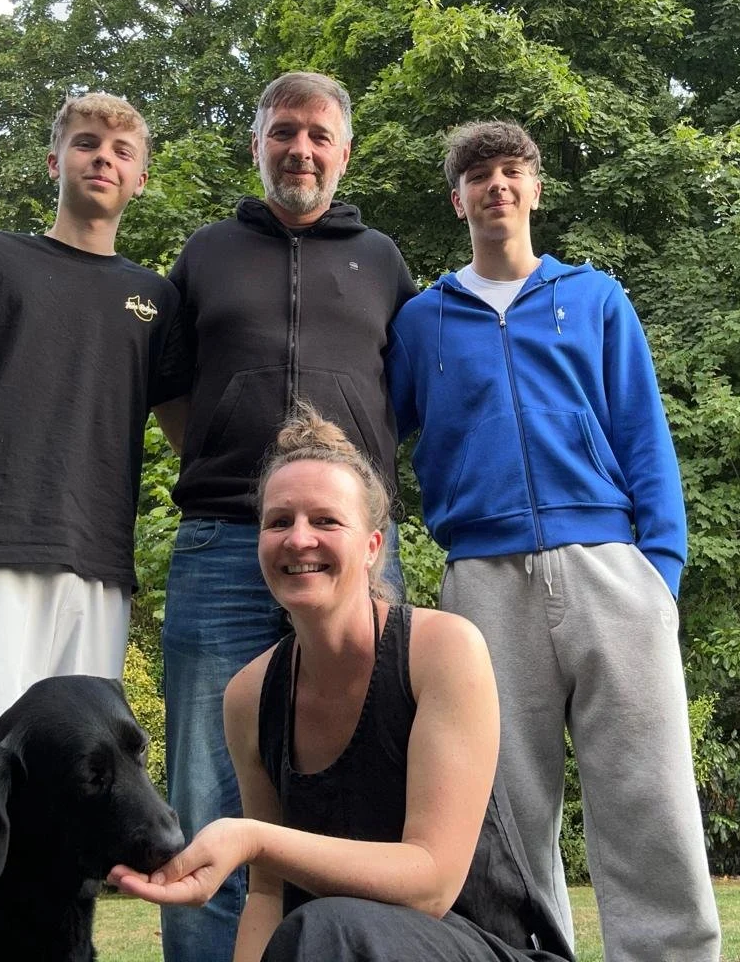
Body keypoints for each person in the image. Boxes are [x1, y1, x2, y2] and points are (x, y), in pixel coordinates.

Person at [385, 121, 722, 960]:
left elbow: (645, 437)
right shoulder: (423, 321)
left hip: (612, 571)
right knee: (504, 809)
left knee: (650, 797)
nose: (496, 186)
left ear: (536, 190)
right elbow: (376, 443)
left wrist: (661, 576)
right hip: (482, 584)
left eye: (511, 172)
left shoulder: (596, 298)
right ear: (455, 198)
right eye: (479, 174)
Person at [112, 407, 571, 962]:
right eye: (278, 522)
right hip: (334, 944)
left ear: (374, 545)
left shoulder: (443, 651)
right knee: (318, 928)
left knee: (327, 928)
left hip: (481, 947)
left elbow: (432, 882)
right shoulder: (249, 697)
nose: (297, 539)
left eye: (326, 521)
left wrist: (251, 838)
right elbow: (267, 893)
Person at [152, 72, 416, 959]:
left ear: (345, 151)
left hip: (356, 555)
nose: (299, 149)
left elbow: (402, 396)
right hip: (226, 541)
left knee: (381, 766)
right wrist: (231, 464)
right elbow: (172, 393)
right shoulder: (205, 253)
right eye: (283, 133)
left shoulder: (382, 259)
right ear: (258, 141)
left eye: (317, 135)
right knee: (207, 783)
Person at [0, 91, 185, 855]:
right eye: (86, 144)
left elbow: (192, 438)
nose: (103, 160)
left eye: (122, 152)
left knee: (73, 803)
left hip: (100, 579)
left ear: (141, 178)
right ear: (56, 161)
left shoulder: (155, 298)